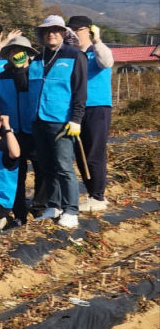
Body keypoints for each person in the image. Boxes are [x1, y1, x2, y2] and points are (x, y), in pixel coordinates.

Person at [29, 15, 87, 229]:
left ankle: (71, 209)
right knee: (46, 166)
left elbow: (80, 91)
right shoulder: (36, 59)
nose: (51, 33)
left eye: (56, 30)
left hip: (61, 120)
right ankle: (53, 205)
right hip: (38, 119)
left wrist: (76, 119)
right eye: (47, 30)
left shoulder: (75, 56)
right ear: (42, 34)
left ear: (63, 33)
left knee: (64, 166)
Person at [0, 36, 40, 225]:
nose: (16, 54)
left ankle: (40, 208)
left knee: (41, 170)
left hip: (34, 130)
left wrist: (20, 70)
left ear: (28, 54)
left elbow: (24, 85)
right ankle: (19, 214)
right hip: (11, 134)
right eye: (12, 51)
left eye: (20, 51)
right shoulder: (1, 78)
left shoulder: (36, 72)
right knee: (17, 174)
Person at [67, 15, 114, 213]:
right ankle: (91, 192)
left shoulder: (97, 51)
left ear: (89, 30)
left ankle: (98, 196)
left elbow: (108, 62)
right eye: (71, 32)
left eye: (78, 31)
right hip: (77, 108)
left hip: (97, 107)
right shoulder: (72, 55)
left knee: (94, 151)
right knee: (81, 153)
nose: (74, 36)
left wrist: (97, 41)